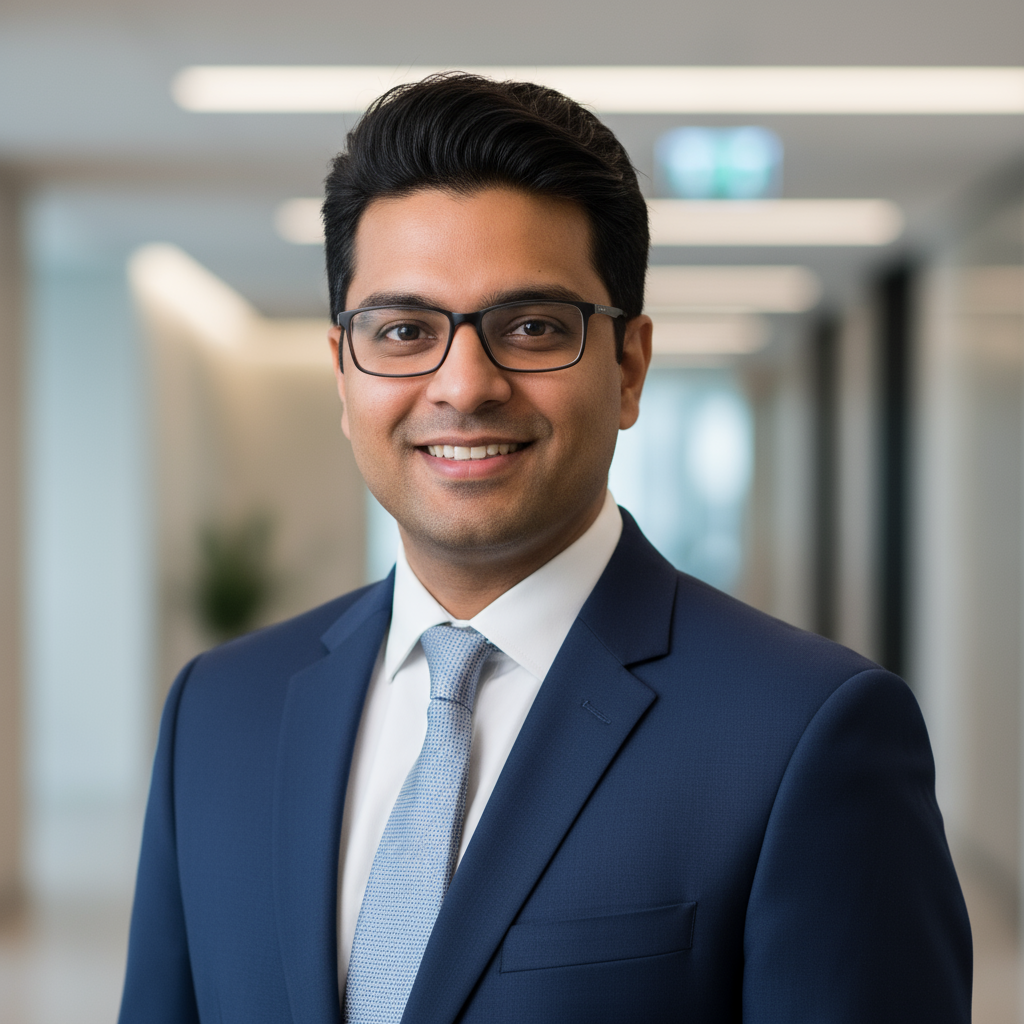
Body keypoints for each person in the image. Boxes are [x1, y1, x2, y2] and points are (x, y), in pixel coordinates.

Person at [119, 74, 971, 1024]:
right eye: (404, 330)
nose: (465, 385)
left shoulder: (805, 733)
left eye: (531, 328)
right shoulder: (220, 712)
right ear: (342, 373)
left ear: (629, 367)